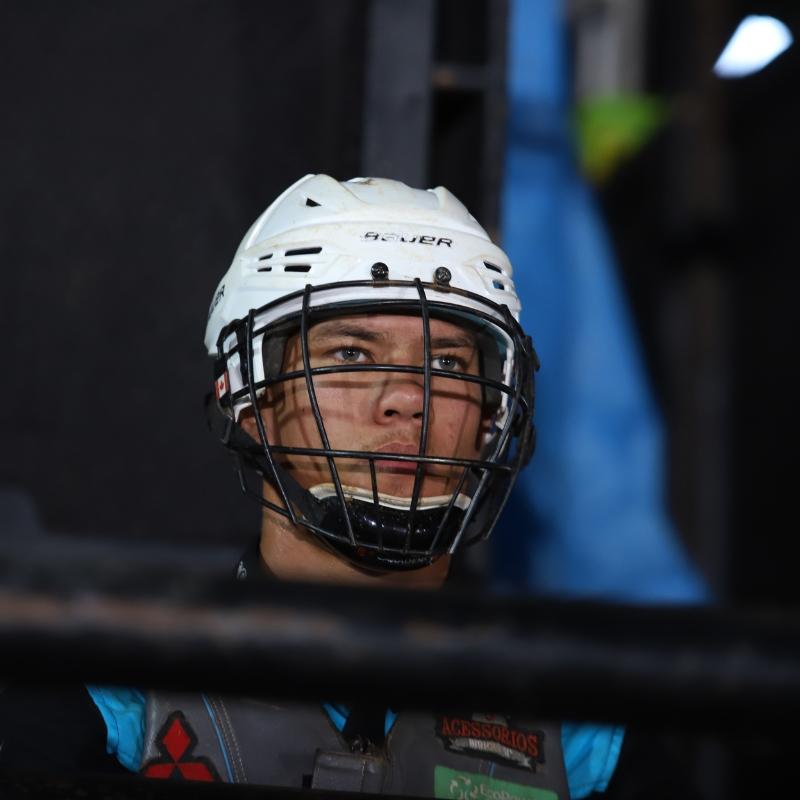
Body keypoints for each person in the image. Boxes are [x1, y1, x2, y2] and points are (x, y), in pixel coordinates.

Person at [0, 175, 676, 798]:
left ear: (492, 414)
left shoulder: (582, 728)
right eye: (351, 354)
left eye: (447, 363)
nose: (408, 399)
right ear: (251, 397)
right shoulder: (110, 695)